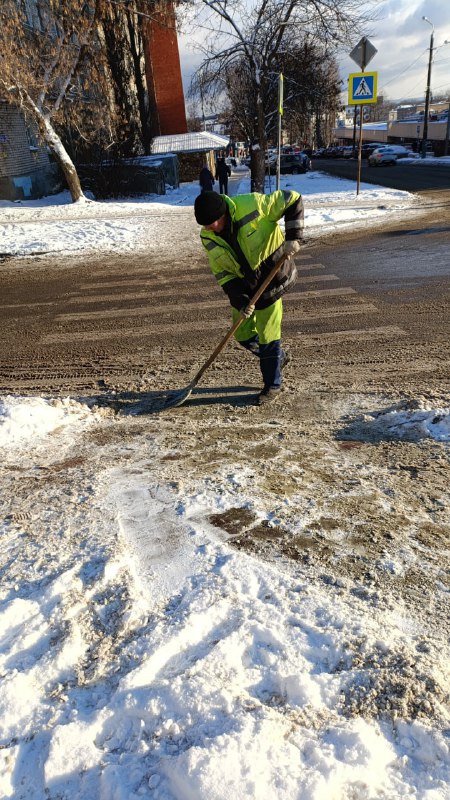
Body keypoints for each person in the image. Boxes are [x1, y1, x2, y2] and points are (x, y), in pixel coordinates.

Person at [194, 188, 304, 405]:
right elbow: (223, 273)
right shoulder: (208, 237)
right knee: (242, 333)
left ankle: (273, 384)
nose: (209, 228)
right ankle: (278, 357)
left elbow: (293, 199)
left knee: (268, 335)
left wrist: (293, 237)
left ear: (223, 213)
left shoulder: (253, 205)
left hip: (272, 278)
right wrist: (240, 300)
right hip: (246, 287)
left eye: (212, 222)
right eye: (205, 225)